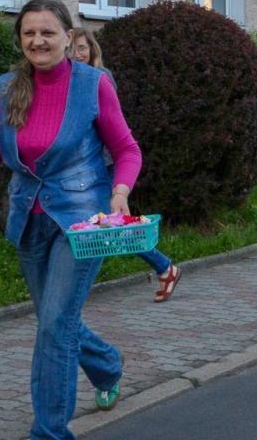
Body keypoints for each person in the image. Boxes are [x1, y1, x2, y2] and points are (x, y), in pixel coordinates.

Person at [0, 0, 144, 440]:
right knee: (58, 321)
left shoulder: (94, 84)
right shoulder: (10, 89)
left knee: (53, 324)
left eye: (47, 32)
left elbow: (126, 148)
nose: (38, 42)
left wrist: (119, 191)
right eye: (29, 34)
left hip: (82, 219)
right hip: (29, 220)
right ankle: (108, 366)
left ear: (69, 37)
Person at [68, 28, 182, 303]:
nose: (77, 55)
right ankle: (164, 267)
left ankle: (164, 266)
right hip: (79, 167)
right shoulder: (66, 80)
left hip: (102, 165)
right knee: (97, 225)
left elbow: (110, 127)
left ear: (92, 50)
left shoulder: (100, 78)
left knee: (108, 224)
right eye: (72, 49)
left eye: (82, 48)